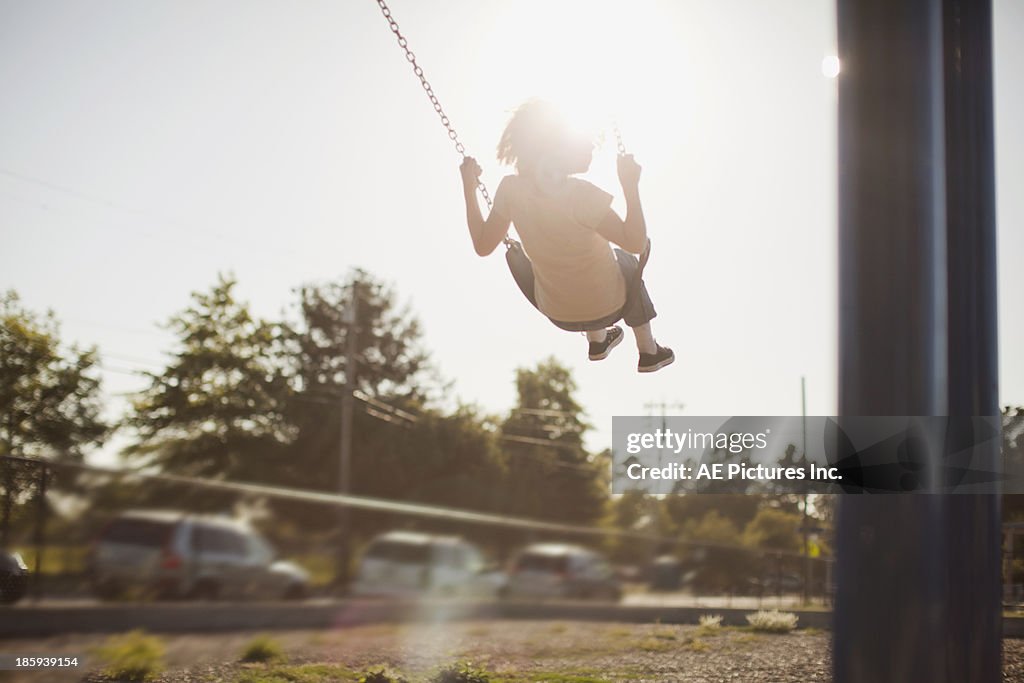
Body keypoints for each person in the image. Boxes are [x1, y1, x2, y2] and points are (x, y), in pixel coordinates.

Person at [459, 99, 674, 373]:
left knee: (542, 259)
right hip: (610, 306)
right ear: (558, 149)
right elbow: (635, 242)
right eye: (585, 142)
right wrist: (630, 186)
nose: (592, 148)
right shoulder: (581, 195)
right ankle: (649, 350)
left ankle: (598, 341)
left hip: (558, 314)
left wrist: (469, 188)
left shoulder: (510, 190)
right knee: (626, 259)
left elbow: (482, 245)